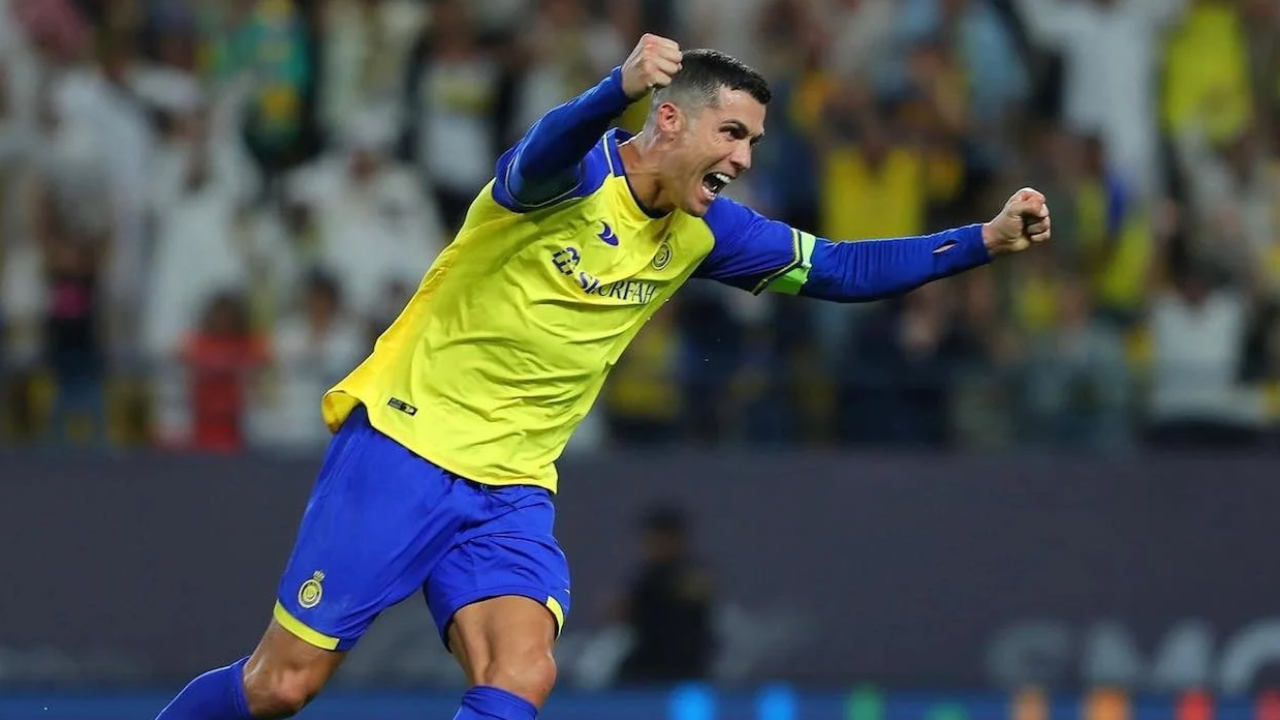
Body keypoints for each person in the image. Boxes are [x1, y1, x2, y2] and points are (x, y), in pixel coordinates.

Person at [153, 34, 1051, 720]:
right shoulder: (569, 178)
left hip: (511, 486)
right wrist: (614, 88)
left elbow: (843, 269)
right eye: (731, 133)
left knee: (522, 673)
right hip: (405, 445)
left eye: (752, 140)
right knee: (282, 687)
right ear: (671, 120)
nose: (744, 158)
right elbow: (545, 147)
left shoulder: (706, 232)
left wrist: (983, 240)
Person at [616, 505, 717, 684]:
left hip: (684, 671)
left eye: (659, 539)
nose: (653, 545)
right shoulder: (644, 581)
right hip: (645, 671)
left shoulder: (691, 577)